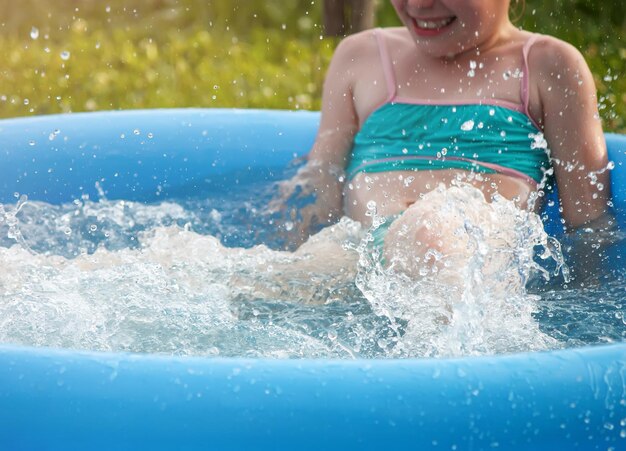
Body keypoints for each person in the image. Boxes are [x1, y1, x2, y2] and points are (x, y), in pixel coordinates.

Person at [273, 0, 613, 277]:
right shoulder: (361, 56)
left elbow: (589, 224)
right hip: (356, 255)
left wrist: (586, 290)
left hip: (469, 263)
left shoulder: (549, 65)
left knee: (430, 232)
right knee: (256, 283)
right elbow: (319, 182)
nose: (419, 4)